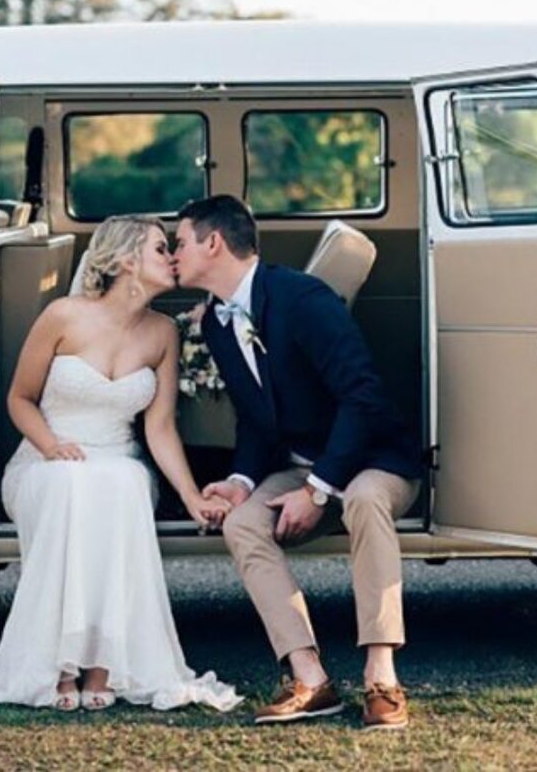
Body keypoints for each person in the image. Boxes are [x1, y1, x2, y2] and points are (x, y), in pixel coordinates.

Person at [0, 215, 241, 712]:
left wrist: (191, 495)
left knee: (125, 482)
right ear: (127, 260)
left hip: (117, 457)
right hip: (47, 458)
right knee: (70, 485)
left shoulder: (162, 333)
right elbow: (20, 399)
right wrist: (50, 446)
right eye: (162, 249)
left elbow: (159, 429)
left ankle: (102, 663)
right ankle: (59, 664)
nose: (173, 257)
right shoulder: (63, 317)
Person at [172, 195, 425, 730]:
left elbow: (364, 397)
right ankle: (310, 677)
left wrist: (317, 490)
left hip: (374, 459)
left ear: (213, 243)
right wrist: (242, 481)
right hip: (302, 465)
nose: (174, 254)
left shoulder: (303, 299)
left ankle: (382, 673)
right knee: (241, 523)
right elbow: (255, 417)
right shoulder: (218, 321)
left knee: (362, 497)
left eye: (180, 242)